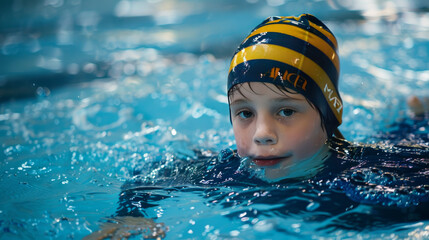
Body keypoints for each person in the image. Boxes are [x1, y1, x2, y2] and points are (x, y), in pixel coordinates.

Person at [84, 14, 429, 239]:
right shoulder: (226, 172)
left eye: (286, 112)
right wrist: (130, 215)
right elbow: (149, 178)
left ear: (328, 114)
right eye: (245, 113)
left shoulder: (368, 179)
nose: (262, 133)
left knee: (406, 141)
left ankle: (416, 119)